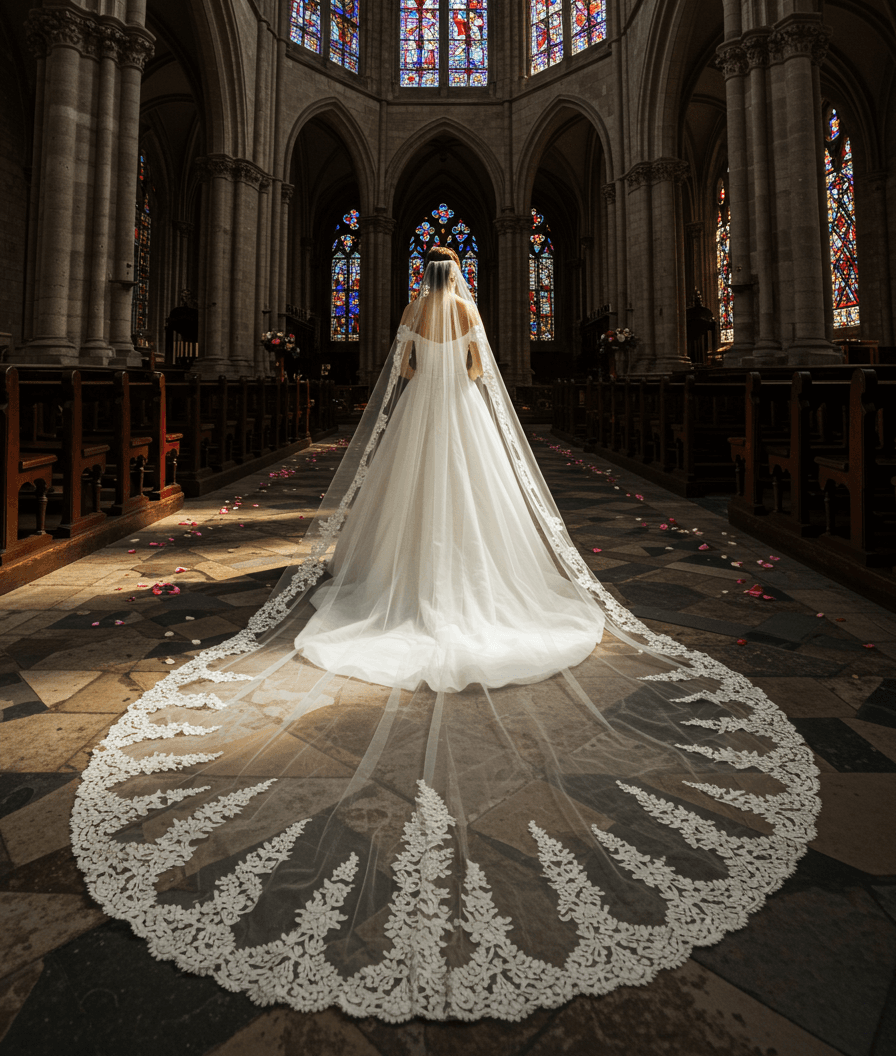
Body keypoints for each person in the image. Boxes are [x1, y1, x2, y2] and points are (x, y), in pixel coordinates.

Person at [72, 247, 821, 1024]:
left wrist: (417, 385)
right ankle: (472, 592)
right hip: (460, 424)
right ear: (458, 277)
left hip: (419, 426)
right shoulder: (466, 313)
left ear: (418, 279)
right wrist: (450, 383)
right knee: (473, 517)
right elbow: (475, 377)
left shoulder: (409, 314)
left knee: (402, 521)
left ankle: (405, 597)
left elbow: (399, 379)